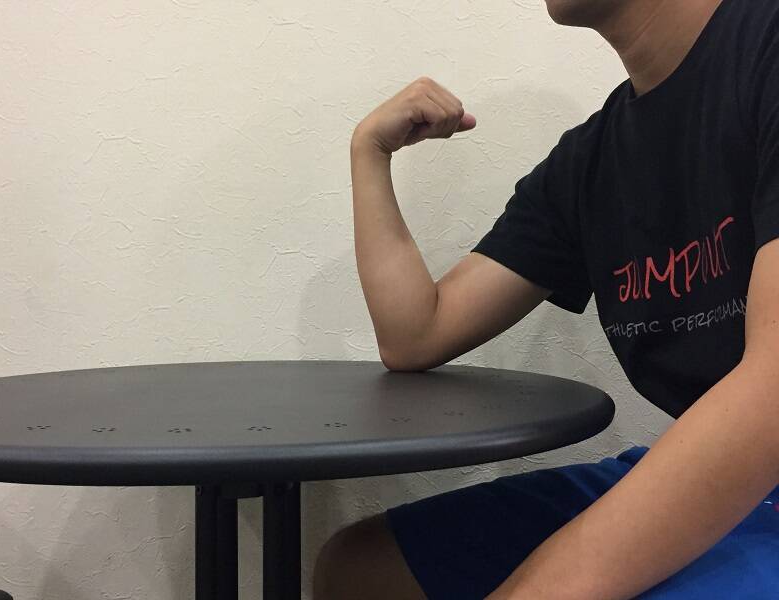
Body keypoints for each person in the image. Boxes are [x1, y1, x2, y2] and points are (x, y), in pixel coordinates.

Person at [315, 0, 779, 597]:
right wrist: (369, 153)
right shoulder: (593, 158)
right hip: (733, 486)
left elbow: (772, 388)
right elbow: (416, 334)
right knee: (362, 568)